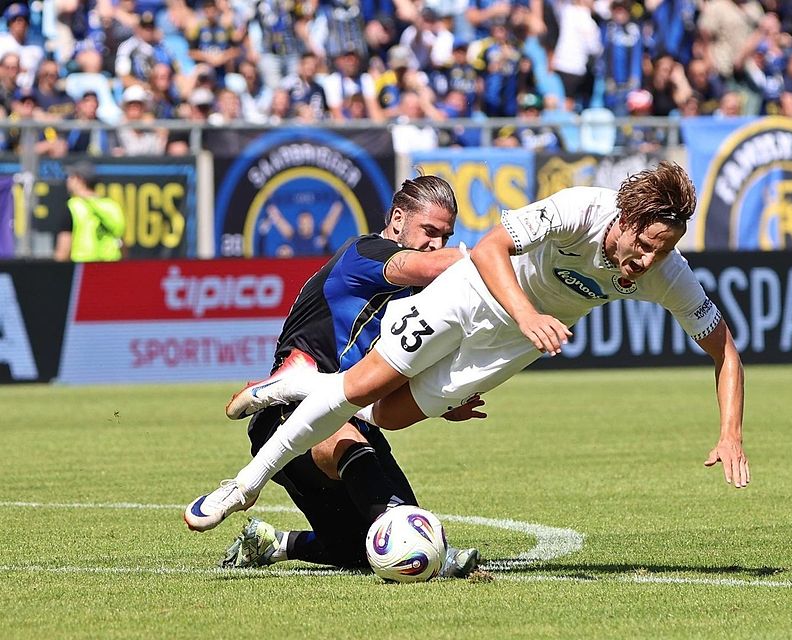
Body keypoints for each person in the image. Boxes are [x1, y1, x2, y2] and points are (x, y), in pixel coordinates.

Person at [185, 162, 751, 538]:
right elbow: (489, 247)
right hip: (476, 290)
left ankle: (302, 385)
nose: (648, 263)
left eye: (665, 250)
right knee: (359, 388)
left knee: (389, 414)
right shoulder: (583, 208)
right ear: (626, 221)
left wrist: (730, 432)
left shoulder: (666, 275)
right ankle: (243, 486)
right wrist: (529, 314)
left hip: (510, 342)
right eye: (647, 246)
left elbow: (725, 351)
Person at [209, 175, 483, 577]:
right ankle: (439, 560)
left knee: (358, 551)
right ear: (397, 217)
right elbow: (423, 265)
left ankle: (271, 542)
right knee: (365, 478)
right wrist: (492, 256)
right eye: (430, 231)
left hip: (350, 413)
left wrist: (444, 405)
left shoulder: (412, 298)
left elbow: (395, 369)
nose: (436, 245)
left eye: (445, 236)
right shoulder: (367, 252)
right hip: (286, 414)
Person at [54, 161, 125, 262]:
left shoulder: (73, 206)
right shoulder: (113, 206)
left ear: (79, 179)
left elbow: (63, 252)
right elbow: (122, 244)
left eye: (71, 177)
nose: (68, 180)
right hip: (112, 269)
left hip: (84, 269)